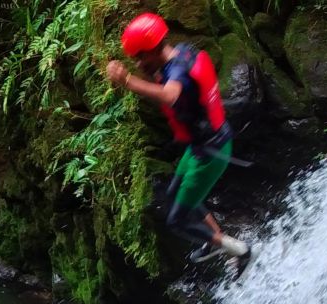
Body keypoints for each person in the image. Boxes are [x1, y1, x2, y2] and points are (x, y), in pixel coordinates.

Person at [105, 12, 251, 270]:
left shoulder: (177, 73)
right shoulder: (181, 52)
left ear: (153, 49)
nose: (138, 64)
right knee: (173, 193)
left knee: (176, 221)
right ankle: (213, 240)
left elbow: (170, 94)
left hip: (210, 153)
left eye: (140, 56)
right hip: (201, 146)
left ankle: (238, 249)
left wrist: (127, 81)